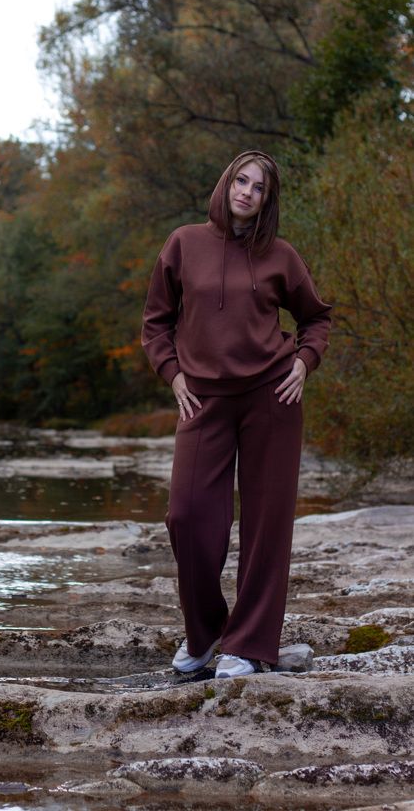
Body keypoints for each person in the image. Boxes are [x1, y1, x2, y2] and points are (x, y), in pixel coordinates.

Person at [141, 150, 331, 679]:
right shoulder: (184, 243)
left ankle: (247, 645)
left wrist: (304, 362)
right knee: (187, 516)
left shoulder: (281, 255)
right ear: (226, 183)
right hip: (202, 400)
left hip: (272, 397)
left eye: (258, 187)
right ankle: (204, 633)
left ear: (268, 200)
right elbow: (156, 322)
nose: (247, 191)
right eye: (241, 181)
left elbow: (316, 319)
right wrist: (173, 375)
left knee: (267, 524)